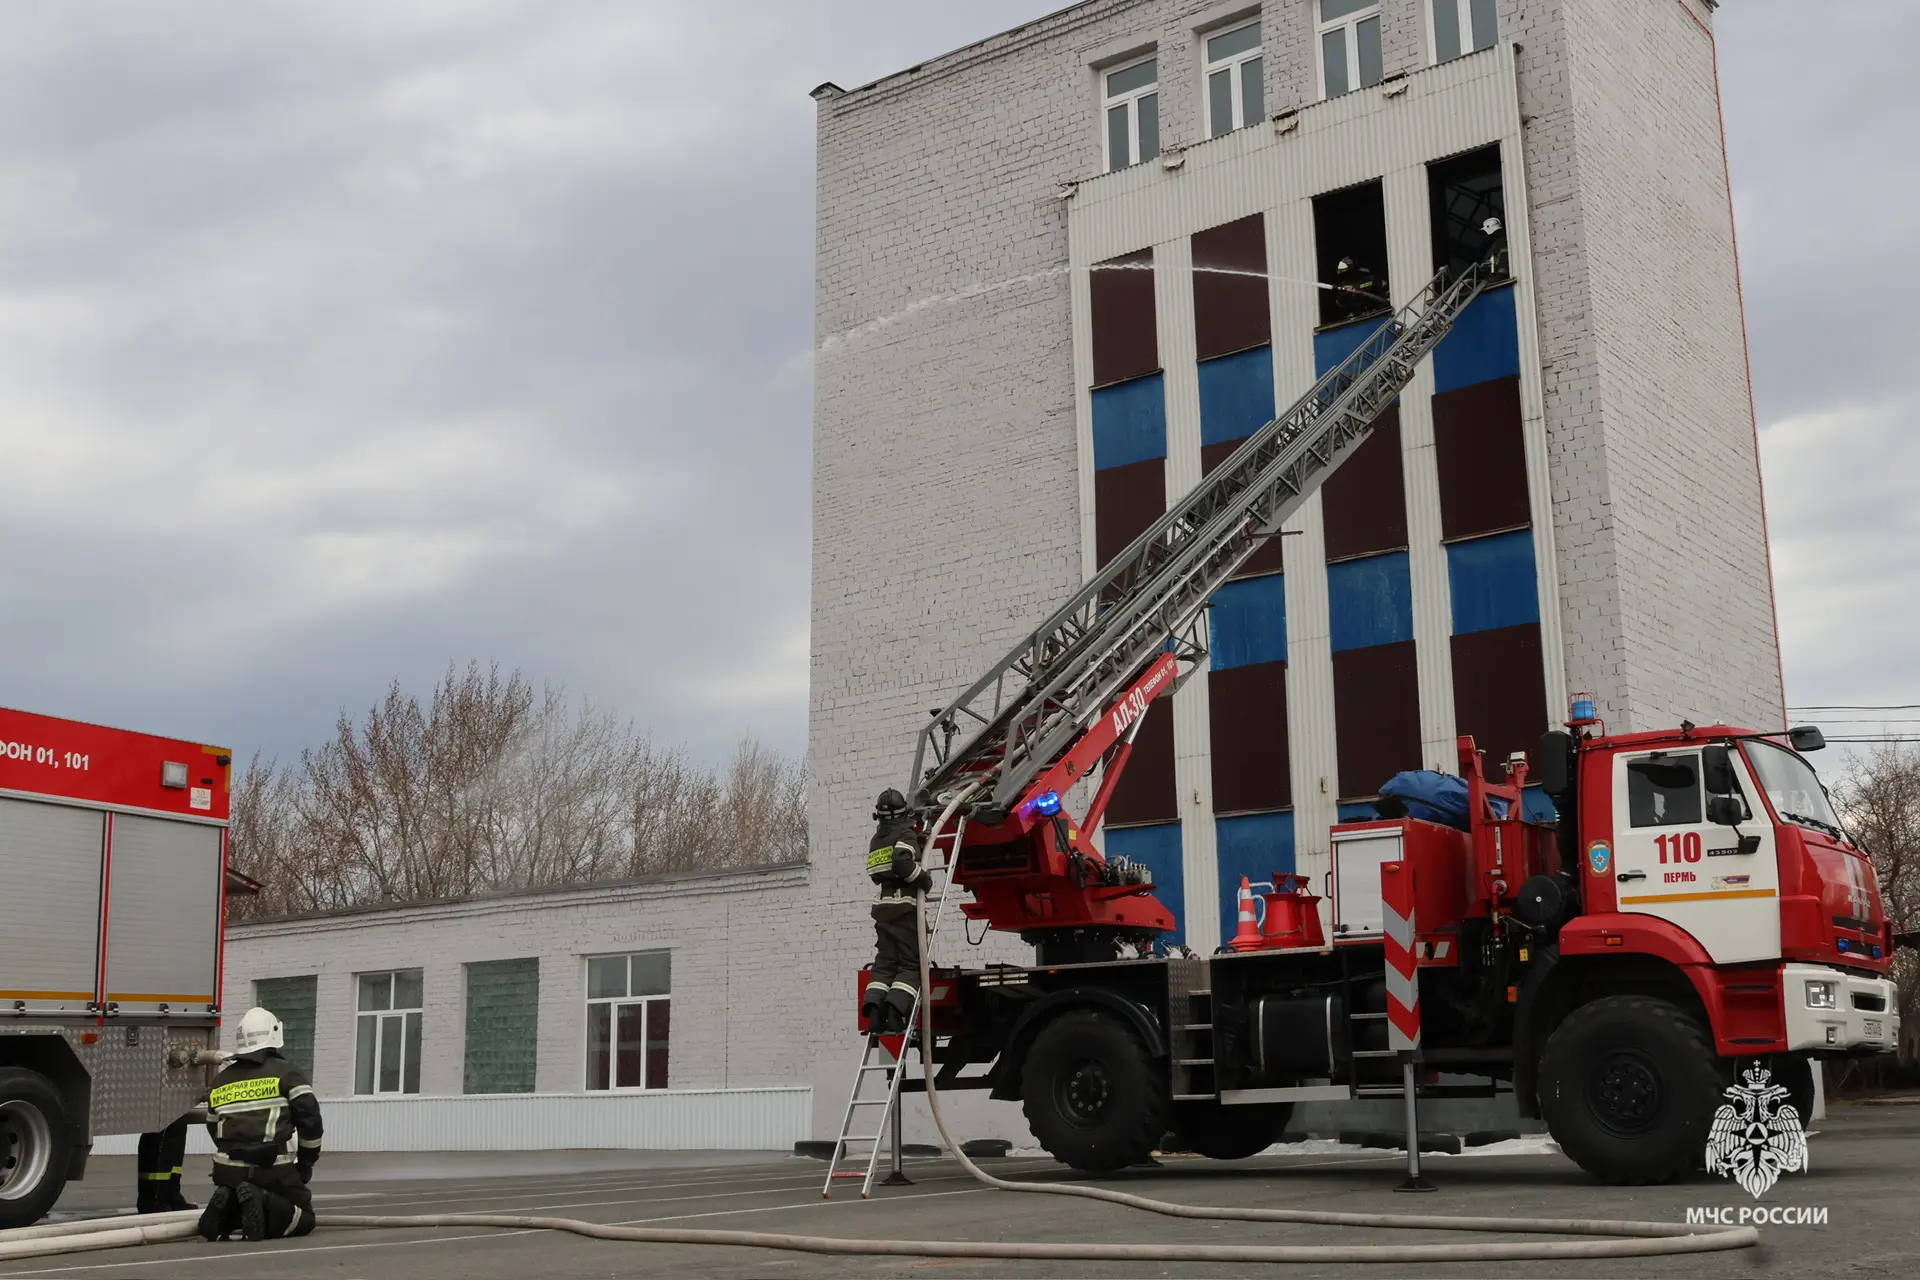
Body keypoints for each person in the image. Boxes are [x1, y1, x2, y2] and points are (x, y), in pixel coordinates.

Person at [195, 1007, 323, 1243]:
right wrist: (306, 1163)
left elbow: (213, 1127)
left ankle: (227, 1208)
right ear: (274, 1034)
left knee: (243, 1199)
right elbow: (311, 1123)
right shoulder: (288, 1074)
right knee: (304, 1218)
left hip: (227, 1169)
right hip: (272, 1167)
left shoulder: (220, 1080)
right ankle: (261, 1199)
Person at [861, 788, 932, 1035]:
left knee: (886, 963)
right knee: (912, 964)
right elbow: (902, 862)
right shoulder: (904, 833)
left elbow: (875, 873)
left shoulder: (876, 840)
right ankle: (895, 1010)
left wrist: (917, 844)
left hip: (883, 908)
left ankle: (874, 1011)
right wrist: (922, 878)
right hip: (904, 909)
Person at [135, 1115, 195, 1213]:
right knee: (158, 1135)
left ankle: (171, 1196)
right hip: (159, 1112)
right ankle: (154, 1198)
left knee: (175, 1135)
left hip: (176, 1110)